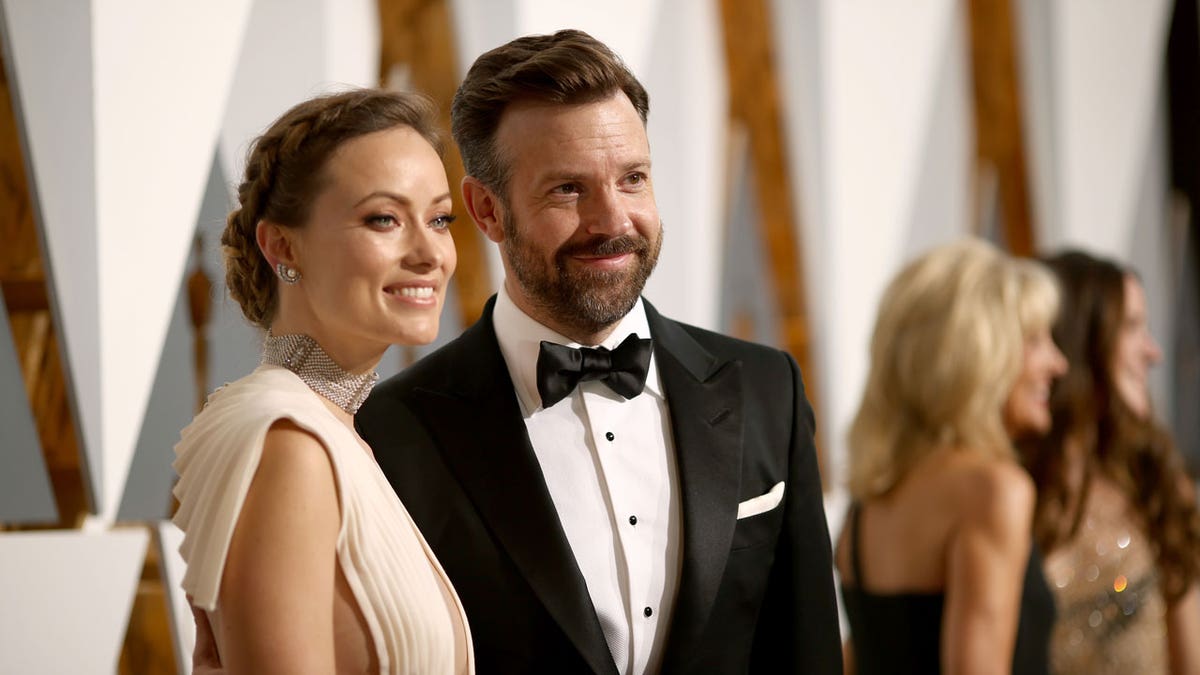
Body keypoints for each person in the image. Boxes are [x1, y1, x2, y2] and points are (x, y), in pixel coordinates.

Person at [355, 28, 842, 674]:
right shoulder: (394, 432)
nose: (613, 220)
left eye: (632, 178)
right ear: (487, 210)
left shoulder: (766, 388)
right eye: (567, 190)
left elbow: (807, 650)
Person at [172, 89, 473, 674]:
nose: (429, 252)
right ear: (282, 246)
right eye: (384, 218)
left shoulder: (333, 433)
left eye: (438, 219)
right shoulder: (289, 442)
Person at [835, 238, 1065, 674]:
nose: (1058, 362)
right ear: (976, 353)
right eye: (1034, 340)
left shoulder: (868, 503)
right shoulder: (993, 491)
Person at [1019, 250, 1200, 674]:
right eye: (1133, 327)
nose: (1153, 353)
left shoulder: (1155, 484)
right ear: (1082, 341)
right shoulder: (1007, 496)